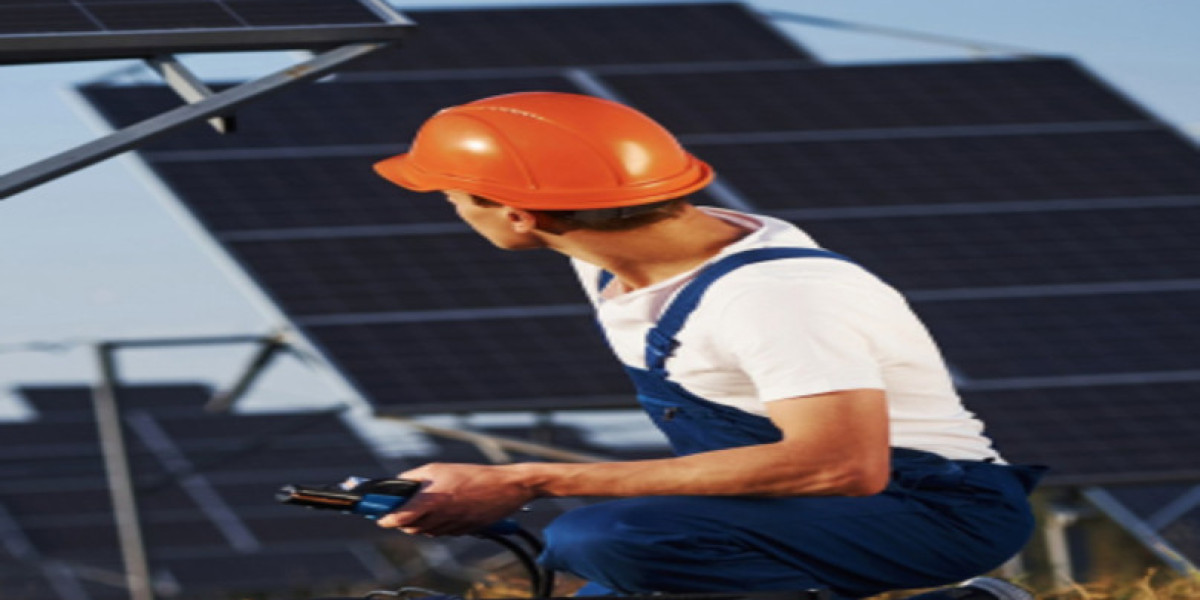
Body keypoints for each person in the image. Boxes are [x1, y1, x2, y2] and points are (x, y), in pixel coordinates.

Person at [369, 91, 1045, 599]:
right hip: (783, 509)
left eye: (455, 197)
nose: (453, 209)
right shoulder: (619, 242)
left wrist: (525, 479)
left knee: (601, 539)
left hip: (925, 511)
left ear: (518, 216)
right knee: (613, 561)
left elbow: (843, 468)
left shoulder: (774, 295)